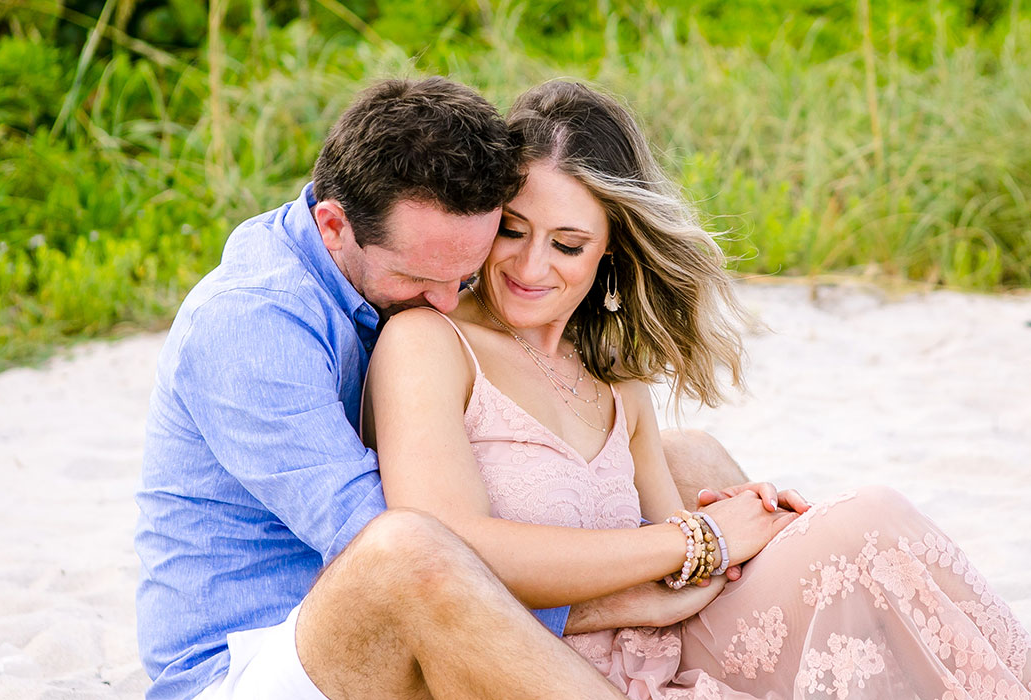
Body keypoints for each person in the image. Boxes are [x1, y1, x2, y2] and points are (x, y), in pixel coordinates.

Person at [363, 80, 1031, 699]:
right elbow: (445, 551)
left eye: (568, 245)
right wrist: (698, 540)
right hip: (541, 673)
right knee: (870, 519)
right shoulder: (430, 342)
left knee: (863, 534)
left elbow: (681, 562)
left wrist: (746, 526)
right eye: (512, 230)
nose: (530, 265)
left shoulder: (614, 375)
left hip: (665, 646)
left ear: (611, 252)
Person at [135, 77, 751, 700]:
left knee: (687, 455)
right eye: (418, 277)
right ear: (332, 226)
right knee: (407, 542)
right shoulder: (252, 327)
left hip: (384, 628)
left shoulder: (392, 277)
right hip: (258, 663)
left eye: (462, 275)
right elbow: (397, 550)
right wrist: (620, 596)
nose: (444, 302)